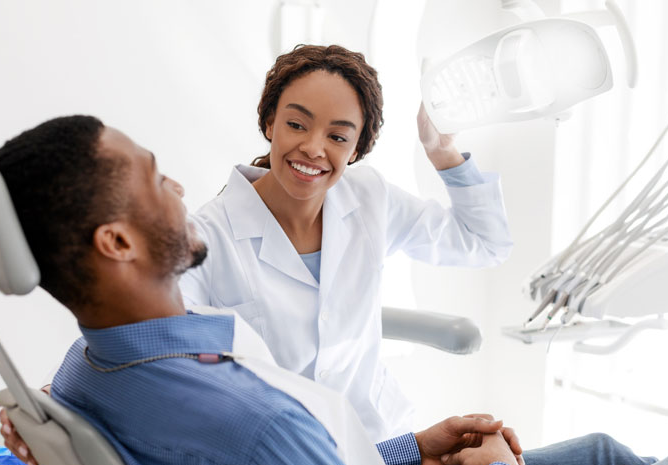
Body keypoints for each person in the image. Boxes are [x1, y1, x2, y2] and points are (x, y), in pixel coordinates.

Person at [0, 116, 668, 465]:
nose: (177, 187)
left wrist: (411, 447)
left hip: (355, 454)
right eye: (155, 179)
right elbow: (277, 442)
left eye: (341, 132)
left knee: (601, 449)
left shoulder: (87, 367)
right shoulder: (257, 423)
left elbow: (480, 241)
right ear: (117, 244)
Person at [179, 44, 514, 442]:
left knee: (594, 453)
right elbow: (174, 366)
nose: (314, 148)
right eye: (297, 125)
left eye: (337, 136)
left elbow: (484, 242)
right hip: (293, 456)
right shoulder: (205, 237)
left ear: (356, 149)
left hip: (389, 440)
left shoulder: (367, 196)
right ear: (270, 123)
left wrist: (441, 150)